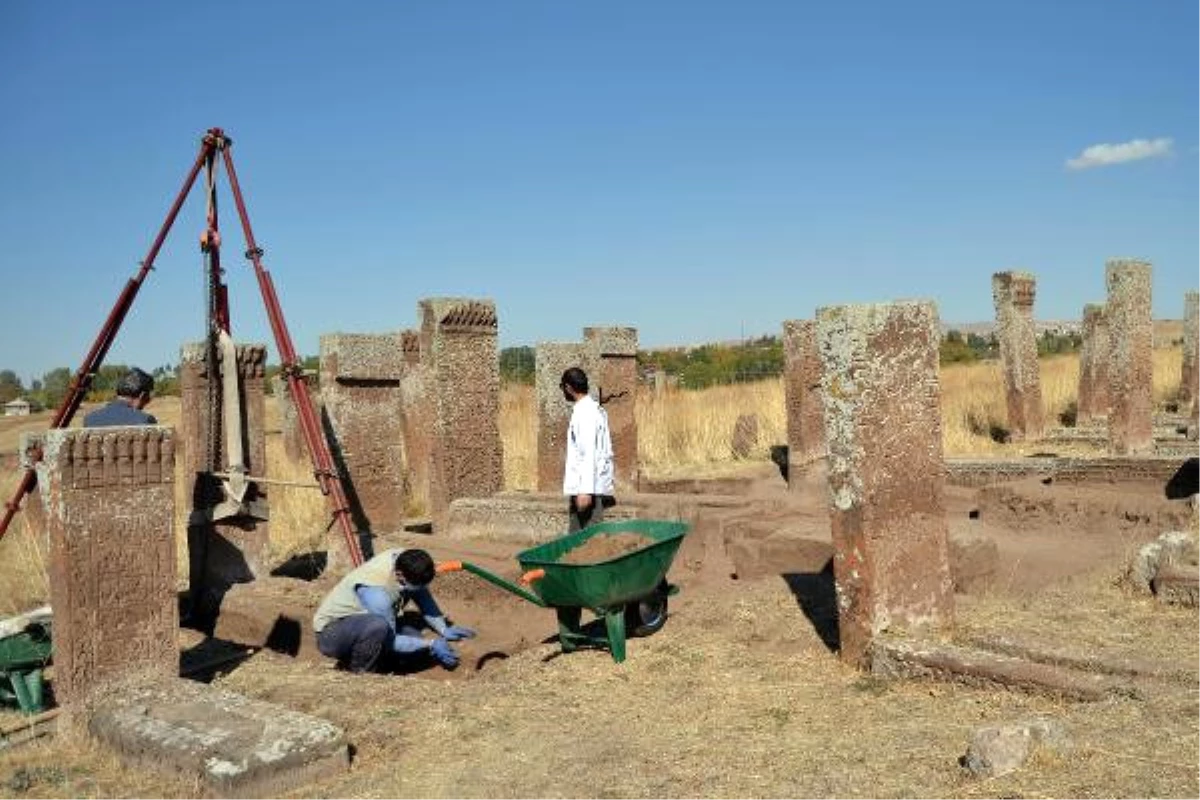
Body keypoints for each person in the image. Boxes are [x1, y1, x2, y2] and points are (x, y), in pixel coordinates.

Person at [312, 548, 476, 673]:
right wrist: (431, 644)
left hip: (361, 624)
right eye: (414, 586)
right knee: (378, 627)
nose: (418, 590)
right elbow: (390, 640)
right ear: (399, 576)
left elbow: (422, 594)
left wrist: (443, 628)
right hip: (332, 634)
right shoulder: (377, 594)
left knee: (414, 640)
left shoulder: (405, 559)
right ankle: (358, 674)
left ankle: (382, 661)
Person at [560, 367, 615, 532]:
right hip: (590, 486)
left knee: (584, 542)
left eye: (563, 387)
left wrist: (585, 491)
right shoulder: (592, 409)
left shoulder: (585, 413)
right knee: (579, 540)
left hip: (586, 489)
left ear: (569, 387)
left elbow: (588, 452)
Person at [83, 367, 157, 427]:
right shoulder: (145, 421)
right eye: (148, 398)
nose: (148, 402)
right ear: (142, 396)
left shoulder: (89, 420)